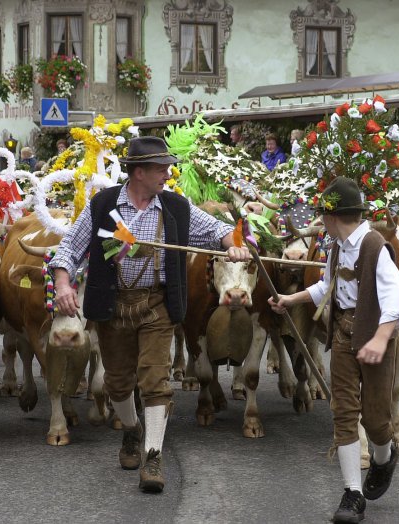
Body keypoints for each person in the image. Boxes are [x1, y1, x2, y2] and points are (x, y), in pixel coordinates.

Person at [49, 136, 250, 494]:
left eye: (167, 167)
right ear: (138, 172)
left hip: (158, 304)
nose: (167, 173)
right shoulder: (103, 204)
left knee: (156, 380)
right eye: (160, 168)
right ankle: (131, 430)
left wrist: (233, 245)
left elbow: (218, 230)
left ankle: (153, 455)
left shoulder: (175, 206)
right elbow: (69, 248)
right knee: (117, 383)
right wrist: (63, 284)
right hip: (113, 305)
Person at [268, 177, 399, 524]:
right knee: (344, 411)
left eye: (322, 217)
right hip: (344, 336)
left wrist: (379, 339)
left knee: (376, 421)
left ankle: (383, 457)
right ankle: (352, 493)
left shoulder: (374, 247)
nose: (321, 223)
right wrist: (291, 299)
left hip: (376, 336)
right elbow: (325, 285)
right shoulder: (336, 248)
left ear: (332, 218)